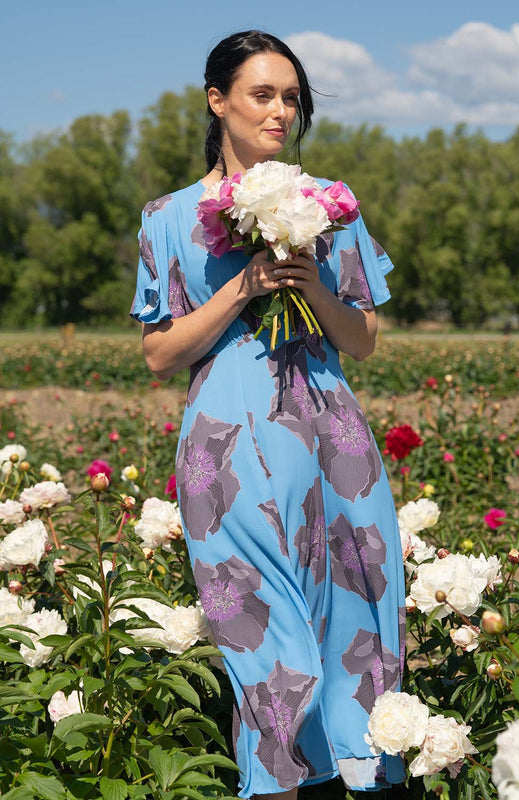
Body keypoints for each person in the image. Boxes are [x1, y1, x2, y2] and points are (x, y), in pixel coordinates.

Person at [129, 30, 406, 800]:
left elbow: (363, 339)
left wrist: (311, 284)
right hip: (226, 450)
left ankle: (359, 782)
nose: (281, 110)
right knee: (267, 653)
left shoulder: (330, 207)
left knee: (354, 629)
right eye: (263, 94)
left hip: (333, 444)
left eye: (292, 97)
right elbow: (159, 354)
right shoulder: (167, 218)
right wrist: (244, 287)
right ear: (217, 101)